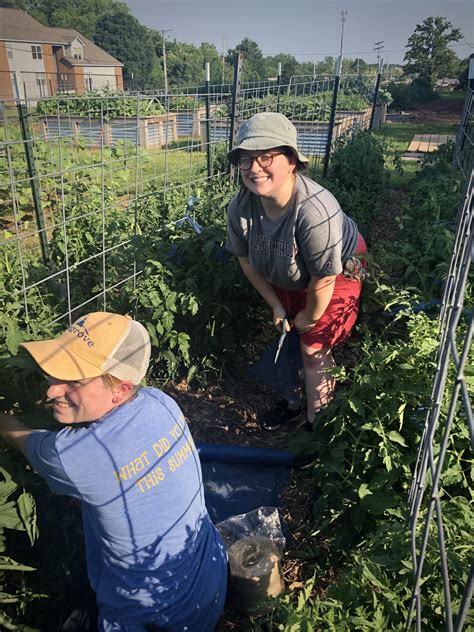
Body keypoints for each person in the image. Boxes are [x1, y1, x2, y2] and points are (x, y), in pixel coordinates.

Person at [0, 312, 227, 632]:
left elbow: (20, 438)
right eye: (55, 373)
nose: (51, 391)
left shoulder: (74, 455)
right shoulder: (161, 402)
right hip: (209, 581)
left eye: (73, 381)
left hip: (153, 620)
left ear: (120, 389)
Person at [226, 112, 367, 432]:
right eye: (246, 159)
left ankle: (317, 428)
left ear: (291, 161)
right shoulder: (240, 207)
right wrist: (277, 305)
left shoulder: (315, 210)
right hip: (289, 269)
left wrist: (312, 317)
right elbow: (246, 261)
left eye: (265, 157)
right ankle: (291, 403)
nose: (254, 168)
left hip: (337, 269)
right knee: (289, 328)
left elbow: (325, 276)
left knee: (314, 346)